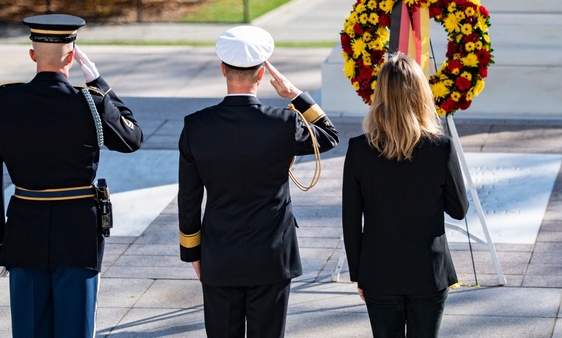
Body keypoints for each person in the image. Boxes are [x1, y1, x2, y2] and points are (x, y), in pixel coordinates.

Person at [0, 14, 143, 338]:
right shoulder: (91, 103)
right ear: (73, 55)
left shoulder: (2, 101)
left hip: (24, 235)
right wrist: (100, 84)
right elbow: (132, 138)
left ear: (32, 54)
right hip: (78, 236)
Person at [178, 25, 340, 338]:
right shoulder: (284, 122)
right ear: (262, 74)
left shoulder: (196, 126)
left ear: (223, 69)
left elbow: (189, 198)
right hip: (272, 255)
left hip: (219, 254)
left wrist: (193, 255)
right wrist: (294, 94)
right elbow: (329, 137)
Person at [342, 53, 469, 338]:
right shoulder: (441, 148)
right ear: (421, 94)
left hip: (378, 272)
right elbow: (459, 209)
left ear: (380, 94)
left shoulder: (359, 150)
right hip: (429, 272)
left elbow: (350, 221)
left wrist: (358, 273)